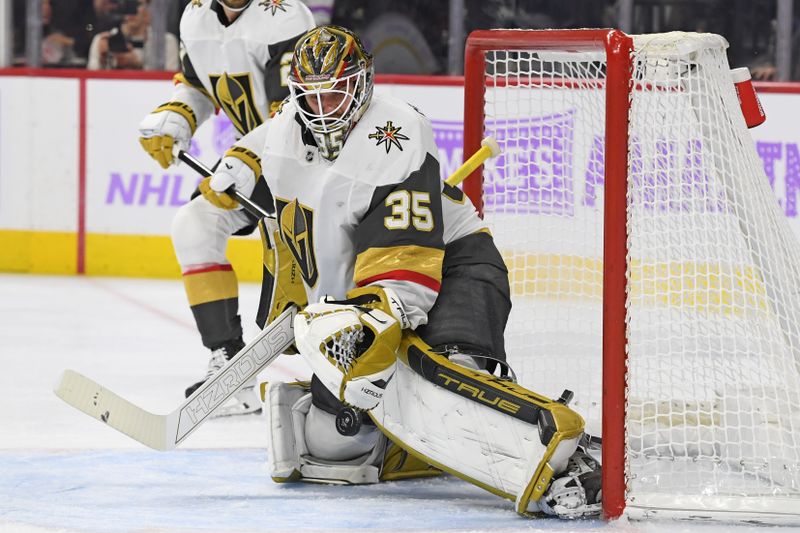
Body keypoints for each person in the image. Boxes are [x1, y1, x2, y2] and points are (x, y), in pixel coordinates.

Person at [203, 25, 602, 517]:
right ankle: (423, 443)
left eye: (335, 94)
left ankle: (577, 459)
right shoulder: (293, 123)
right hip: (363, 295)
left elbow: (405, 269)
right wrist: (244, 157)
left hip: (453, 264)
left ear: (363, 84)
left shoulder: (396, 135)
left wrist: (370, 325)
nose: (322, 110)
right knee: (332, 445)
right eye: (312, 97)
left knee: (449, 389)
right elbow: (276, 137)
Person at [136, 0, 314, 415]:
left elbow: (295, 112)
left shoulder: (286, 16)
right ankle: (230, 362)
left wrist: (245, 158)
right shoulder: (195, 16)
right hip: (255, 155)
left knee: (313, 284)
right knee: (194, 224)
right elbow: (197, 86)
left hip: (310, 159)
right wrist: (177, 117)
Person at [87, 0, 179, 70]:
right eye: (127, 3)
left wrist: (138, 66)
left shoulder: (166, 41)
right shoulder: (103, 39)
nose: (131, 10)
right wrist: (103, 60)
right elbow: (91, 82)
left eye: (136, 4)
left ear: (148, 10)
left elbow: (169, 82)